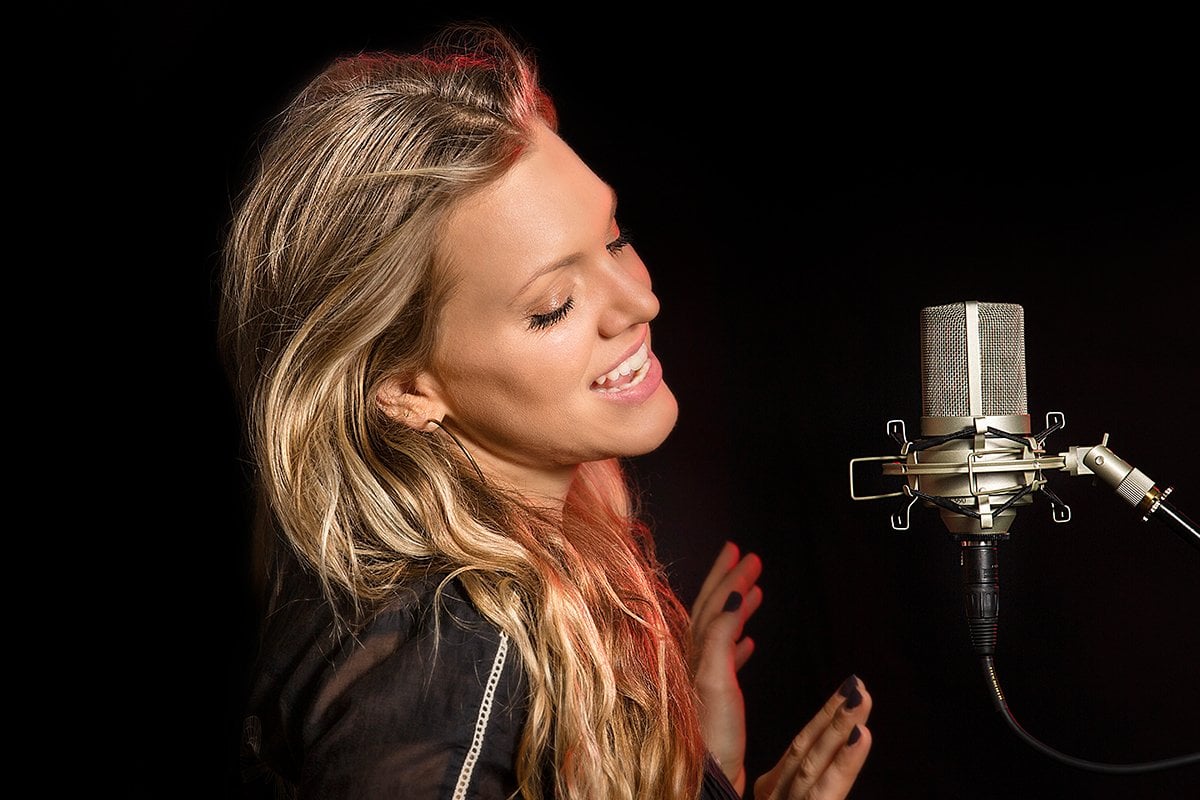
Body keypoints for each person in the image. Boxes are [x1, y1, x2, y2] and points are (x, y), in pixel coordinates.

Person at [221, 22, 873, 799]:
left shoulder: (469, 603)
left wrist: (707, 776)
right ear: (404, 387)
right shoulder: (443, 651)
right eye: (554, 304)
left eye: (616, 239)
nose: (639, 302)